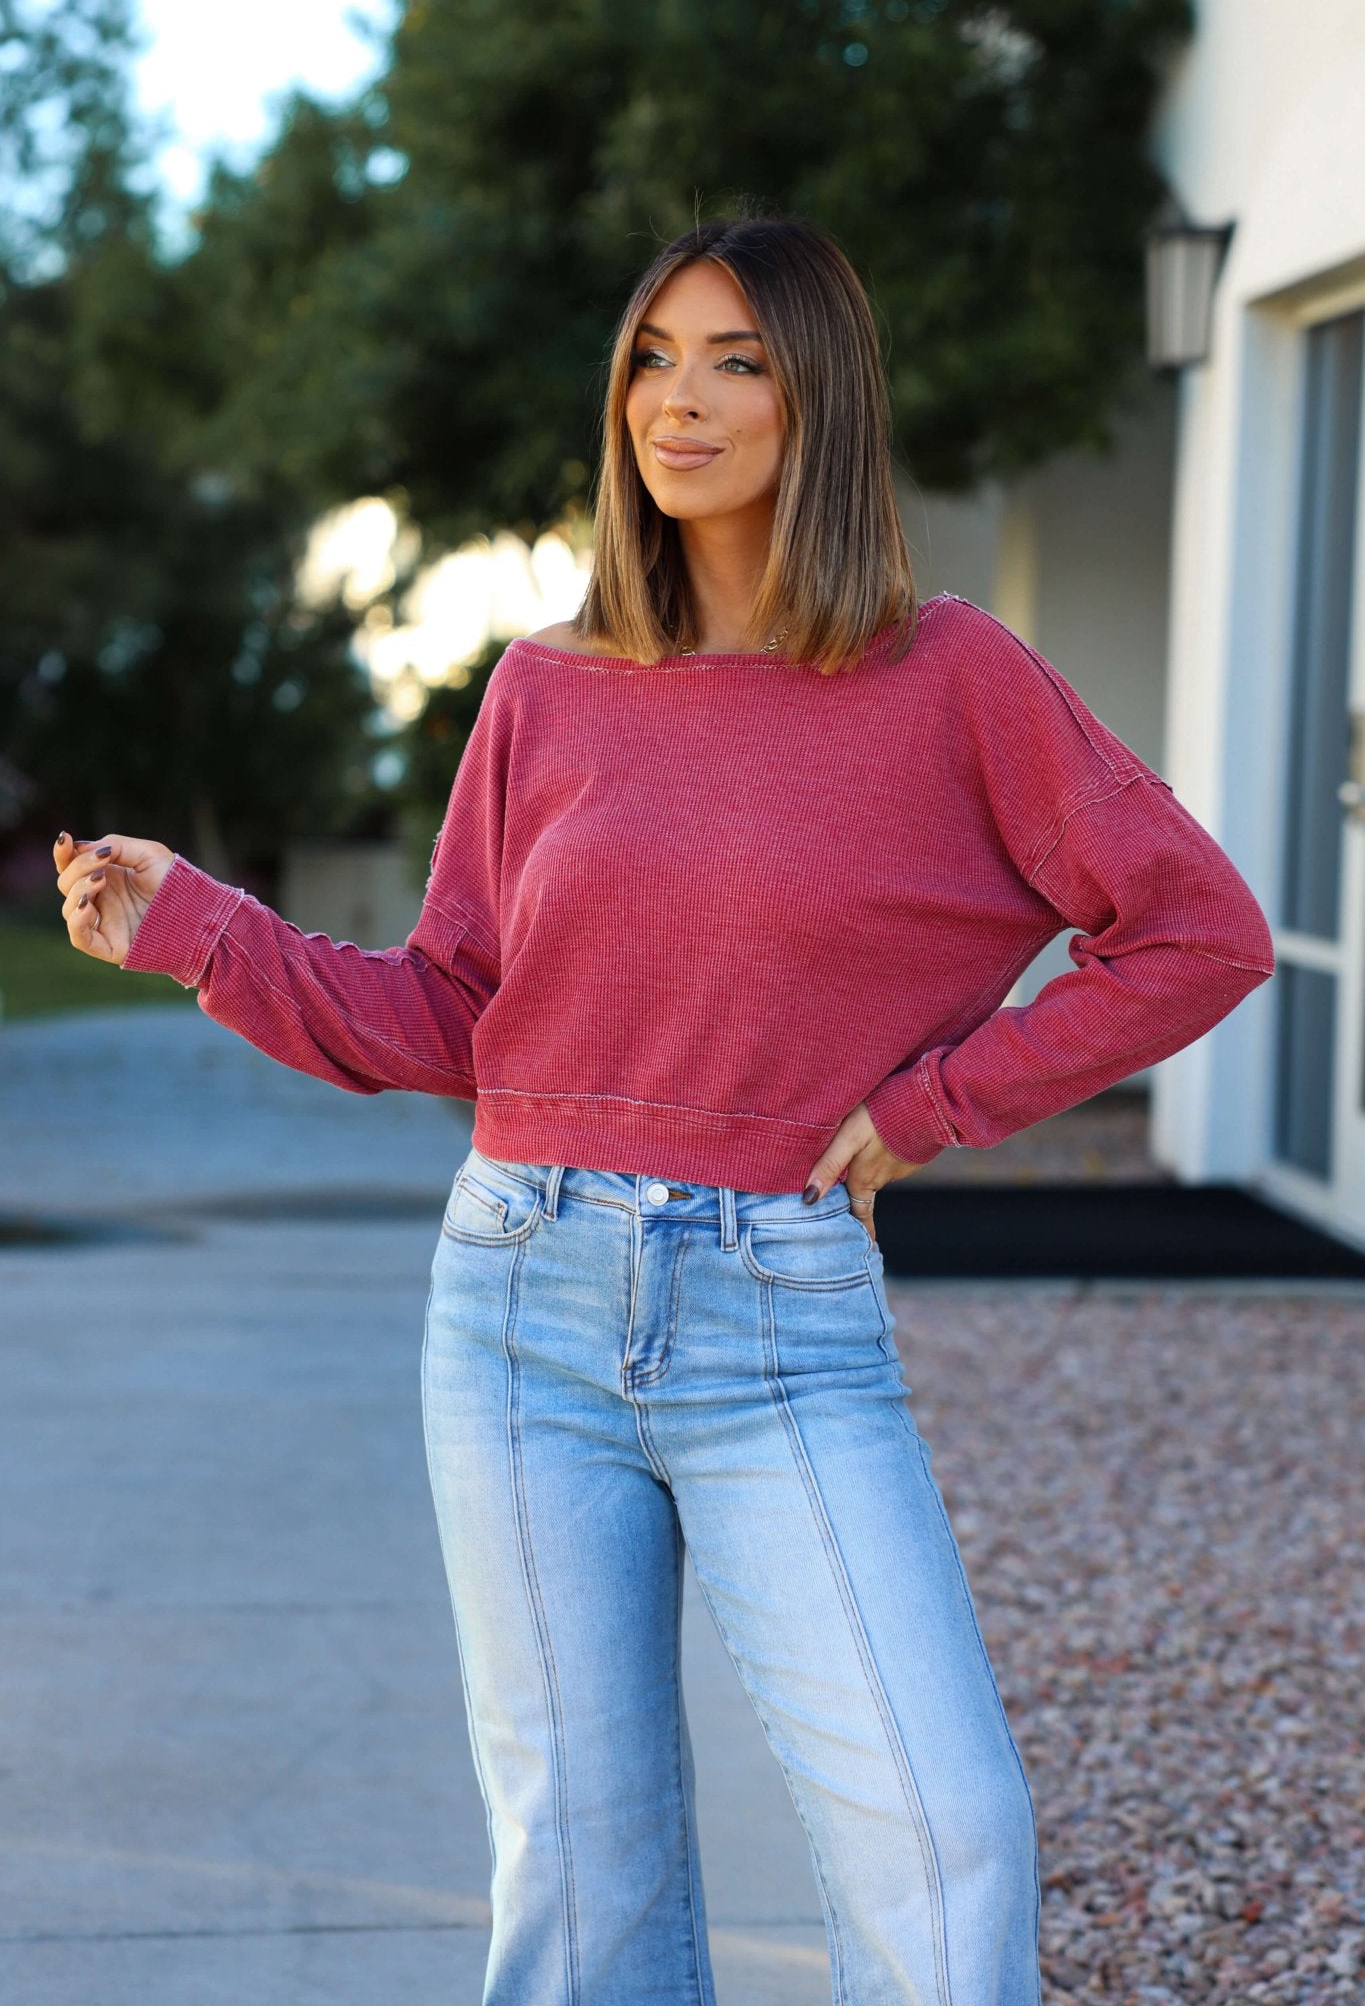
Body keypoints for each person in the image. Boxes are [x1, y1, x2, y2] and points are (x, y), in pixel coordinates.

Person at [55, 212, 1275, 2006]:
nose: (676, 401)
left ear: (822, 399)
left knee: (945, 1846)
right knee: (580, 1866)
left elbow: (1195, 933)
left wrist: (938, 1104)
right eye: (650, 356)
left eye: (735, 359)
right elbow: (457, 1016)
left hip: (779, 1310)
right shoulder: (546, 690)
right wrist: (202, 933)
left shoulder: (952, 677)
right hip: (516, 1293)